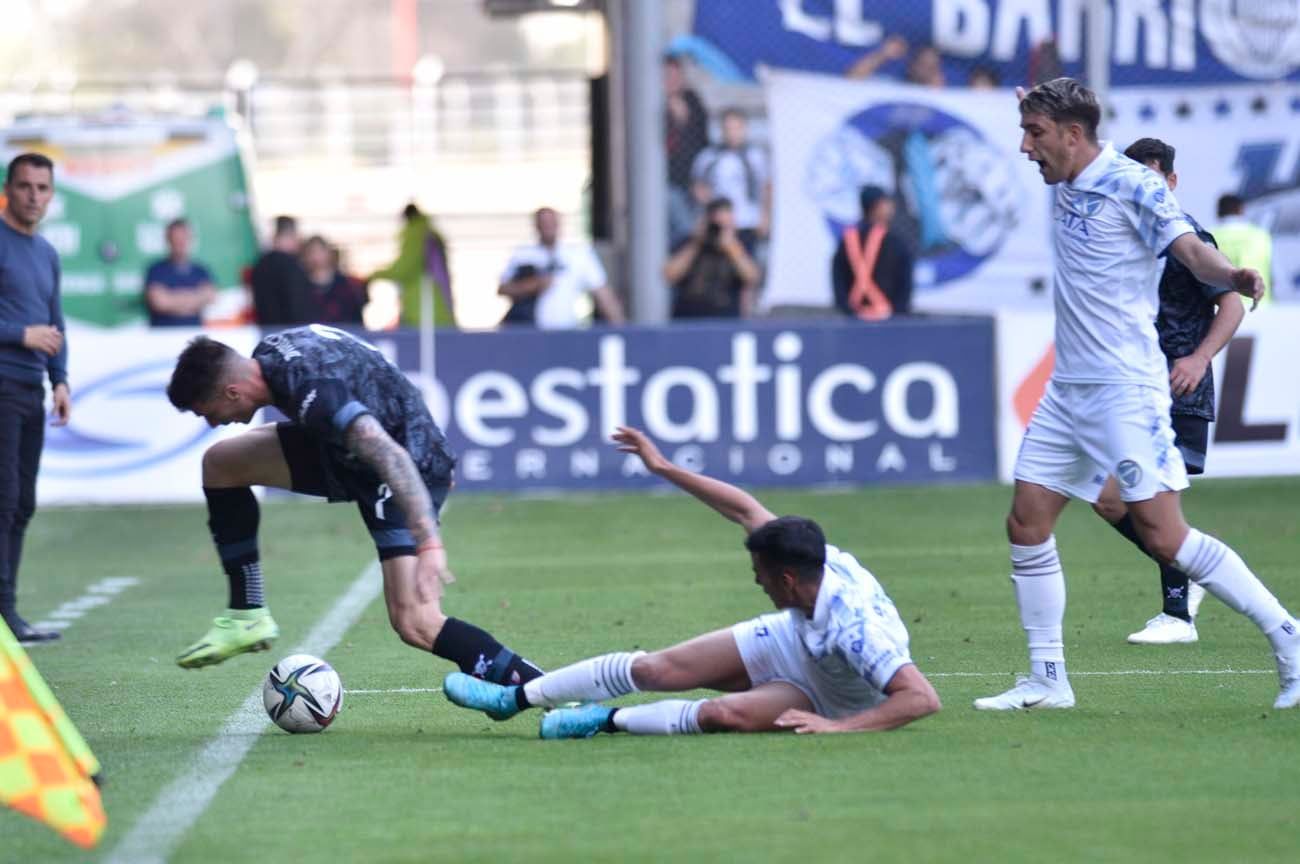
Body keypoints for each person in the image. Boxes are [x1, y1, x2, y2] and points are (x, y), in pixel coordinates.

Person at [975, 77, 1299, 712]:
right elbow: (1057, 115)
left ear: (1073, 136)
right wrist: (1035, 100)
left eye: (1034, 134)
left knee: (1164, 536)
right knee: (1027, 521)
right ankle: (1048, 680)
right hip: (1068, 389)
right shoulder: (1065, 176)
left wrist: (1229, 272)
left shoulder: (1136, 183)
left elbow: (1189, 250)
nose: (1024, 147)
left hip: (1126, 389)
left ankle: (1289, 638)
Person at [442, 426, 941, 739]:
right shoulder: (807, 555)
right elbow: (744, 508)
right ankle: (513, 700)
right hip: (794, 641)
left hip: (837, 698)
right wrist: (661, 467)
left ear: (788, 580)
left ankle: (604, 721)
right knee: (659, 668)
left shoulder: (854, 629)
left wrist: (839, 727)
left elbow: (921, 699)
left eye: (762, 577)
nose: (757, 582)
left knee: (723, 715)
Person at [165, 325, 543, 689]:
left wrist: (429, 543)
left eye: (207, 412)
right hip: (348, 451)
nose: (213, 423)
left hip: (400, 469)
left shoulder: (313, 392)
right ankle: (247, 615)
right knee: (221, 463)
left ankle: (540, 687)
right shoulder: (271, 355)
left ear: (231, 392)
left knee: (415, 622)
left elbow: (388, 453)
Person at [1092, 138, 1244, 645]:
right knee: (1109, 500)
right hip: (1138, 385)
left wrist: (1199, 359)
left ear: (1172, 183)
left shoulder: (1187, 237)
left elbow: (1233, 305)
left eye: (1153, 178)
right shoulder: (1129, 239)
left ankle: (1177, 614)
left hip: (1180, 388)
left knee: (1143, 497)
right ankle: (1199, 564)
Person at [0, 153, 70, 645]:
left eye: (42, 188)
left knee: (23, 502)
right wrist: (20, 334)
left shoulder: (46, 253)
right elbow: (33, 328)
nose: (33, 196)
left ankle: (9, 612)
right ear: (9, 188)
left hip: (32, 391)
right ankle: (4, 614)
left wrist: (60, 379)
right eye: (25, 186)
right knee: (3, 501)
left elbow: (55, 321)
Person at [498, 207, 625, 329]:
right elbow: (503, 288)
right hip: (531, 332)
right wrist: (531, 286)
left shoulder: (578, 255)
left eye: (551, 222)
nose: (548, 227)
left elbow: (603, 295)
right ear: (536, 226)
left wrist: (621, 329)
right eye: (544, 223)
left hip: (565, 331)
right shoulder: (522, 255)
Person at [663, 198, 760, 320]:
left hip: (726, 320)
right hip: (687, 320)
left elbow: (752, 277)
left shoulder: (741, 242)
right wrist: (696, 243)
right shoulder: (690, 242)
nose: (718, 228)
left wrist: (732, 248)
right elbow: (669, 275)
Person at [690, 109, 770, 255]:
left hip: (747, 221)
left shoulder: (756, 157)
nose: (733, 133)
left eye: (737, 128)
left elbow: (766, 188)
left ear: (745, 129)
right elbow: (699, 188)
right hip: (717, 222)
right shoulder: (708, 157)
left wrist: (765, 217)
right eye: (728, 128)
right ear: (722, 130)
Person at [831, 185, 914, 320]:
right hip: (889, 319)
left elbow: (838, 282)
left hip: (854, 318)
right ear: (876, 206)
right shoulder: (895, 243)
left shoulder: (847, 241)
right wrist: (897, 314)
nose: (891, 208)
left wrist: (848, 311)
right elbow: (905, 284)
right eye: (886, 203)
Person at [368, 203, 454, 328]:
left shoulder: (415, 233)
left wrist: (374, 274)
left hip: (424, 305)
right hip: (435, 303)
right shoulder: (429, 231)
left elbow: (404, 268)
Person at [665, 54, 710, 247]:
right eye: (667, 76)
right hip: (667, 182)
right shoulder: (651, 104)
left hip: (691, 182)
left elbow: (701, 143)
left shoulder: (692, 102)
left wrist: (683, 121)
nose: (672, 81)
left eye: (676, 76)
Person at [142, 218, 217, 327]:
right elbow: (159, 302)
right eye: (176, 239)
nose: (180, 243)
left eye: (184, 238)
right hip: (162, 336)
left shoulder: (201, 270)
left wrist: (174, 299)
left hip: (194, 334)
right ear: (168, 240)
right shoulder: (156, 270)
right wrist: (195, 300)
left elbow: (210, 297)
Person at [250, 215, 310, 327]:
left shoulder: (260, 264)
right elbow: (297, 306)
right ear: (290, 235)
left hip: (266, 330)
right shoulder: (291, 265)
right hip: (290, 332)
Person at [1213, 194, 1273, 305]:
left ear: (1218, 212)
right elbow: (1274, 276)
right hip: (1260, 308)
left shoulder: (1208, 236)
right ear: (1241, 210)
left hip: (1221, 310)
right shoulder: (1261, 236)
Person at [301, 235, 366, 325]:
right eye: (312, 252)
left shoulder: (347, 286)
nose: (316, 257)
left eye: (320, 251)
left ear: (329, 253)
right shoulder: (299, 288)